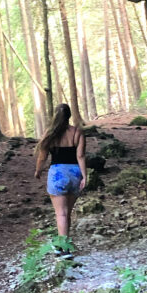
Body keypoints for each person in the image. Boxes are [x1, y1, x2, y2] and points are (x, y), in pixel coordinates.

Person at [34, 103, 87, 241]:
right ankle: (65, 244)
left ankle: (63, 248)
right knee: (67, 213)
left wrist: (38, 171)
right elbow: (80, 156)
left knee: (61, 214)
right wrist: (84, 176)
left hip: (57, 175)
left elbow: (42, 157)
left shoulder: (49, 134)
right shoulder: (77, 132)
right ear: (69, 115)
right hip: (75, 174)